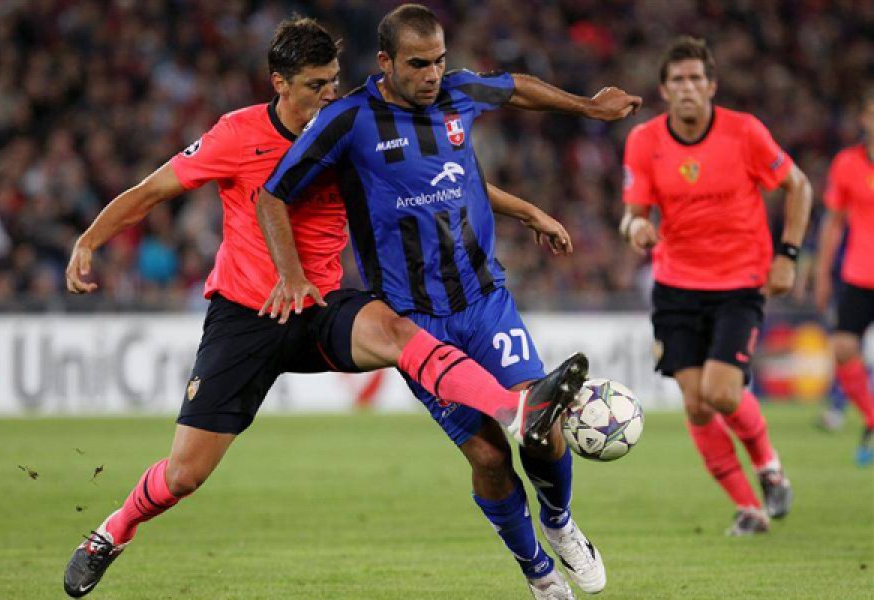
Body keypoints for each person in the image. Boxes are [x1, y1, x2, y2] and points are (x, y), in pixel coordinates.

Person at [61, 18, 587, 598]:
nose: (328, 95)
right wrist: (89, 240)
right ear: (279, 84)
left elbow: (443, 175)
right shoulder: (236, 135)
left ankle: (517, 409)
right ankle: (112, 532)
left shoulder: (345, 129)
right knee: (185, 474)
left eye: (334, 81)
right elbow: (152, 191)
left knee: (393, 328)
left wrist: (526, 211)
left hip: (317, 305)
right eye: (315, 85)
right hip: (246, 317)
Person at [258, 5, 642, 598]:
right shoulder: (348, 119)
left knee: (540, 424)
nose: (433, 73)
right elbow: (273, 194)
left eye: (439, 60)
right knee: (489, 457)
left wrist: (587, 107)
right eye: (418, 64)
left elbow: (517, 90)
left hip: (485, 300)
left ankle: (562, 523)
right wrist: (289, 274)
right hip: (415, 326)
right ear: (385, 62)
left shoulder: (459, 93)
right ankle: (538, 571)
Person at [620, 36, 811, 536]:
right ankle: (750, 508)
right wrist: (636, 229)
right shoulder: (644, 141)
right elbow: (633, 214)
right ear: (664, 89)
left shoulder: (744, 132)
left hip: (739, 281)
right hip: (675, 284)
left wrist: (788, 256)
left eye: (696, 79)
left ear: (712, 86)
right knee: (696, 402)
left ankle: (769, 467)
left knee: (722, 394)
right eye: (678, 79)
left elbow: (799, 186)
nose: (688, 88)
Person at [813, 88, 874, 466]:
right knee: (843, 349)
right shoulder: (847, 164)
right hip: (858, 273)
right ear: (865, 120)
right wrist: (822, 273)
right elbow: (833, 223)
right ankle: (871, 417)